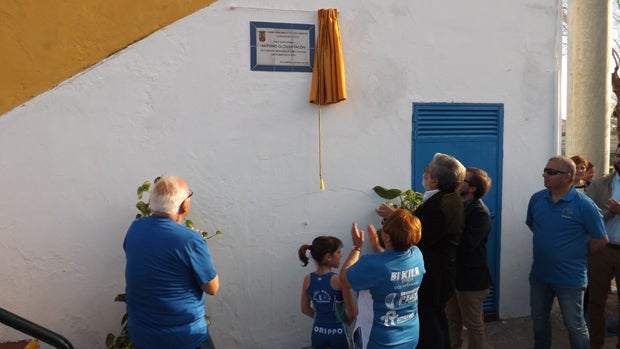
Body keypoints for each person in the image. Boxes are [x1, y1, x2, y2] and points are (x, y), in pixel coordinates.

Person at [377, 152, 465, 349]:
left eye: (427, 171)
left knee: (429, 324)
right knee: (437, 320)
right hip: (442, 273)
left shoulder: (439, 206)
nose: (423, 174)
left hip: (434, 276)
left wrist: (396, 221)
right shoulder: (450, 198)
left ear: (434, 181)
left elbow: (418, 236)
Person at [124, 176, 220, 349]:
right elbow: (212, 288)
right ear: (184, 205)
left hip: (142, 336)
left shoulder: (135, 228)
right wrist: (196, 243)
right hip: (183, 338)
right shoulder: (191, 241)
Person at [526, 155, 607, 349]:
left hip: (570, 279)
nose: (544, 174)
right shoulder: (537, 199)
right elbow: (533, 225)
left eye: (551, 172)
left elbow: (601, 239)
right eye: (545, 170)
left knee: (574, 326)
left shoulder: (584, 205)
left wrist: (577, 252)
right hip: (540, 276)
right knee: (539, 321)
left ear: (566, 177)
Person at [340, 209, 425, 349]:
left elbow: (344, 279)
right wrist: (376, 246)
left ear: (387, 236)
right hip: (410, 335)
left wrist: (357, 248)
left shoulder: (370, 264)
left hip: (377, 339)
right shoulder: (416, 255)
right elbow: (391, 265)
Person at [445, 167, 492, 349]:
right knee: (452, 320)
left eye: (462, 180)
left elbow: (467, 245)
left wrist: (446, 232)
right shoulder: (457, 205)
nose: (457, 183)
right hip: (454, 276)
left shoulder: (480, 213)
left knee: (473, 325)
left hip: (471, 280)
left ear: (472, 188)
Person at [587, 144, 620, 349]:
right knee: (596, 303)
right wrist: (609, 214)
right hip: (602, 250)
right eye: (618, 155)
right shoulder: (599, 185)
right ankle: (595, 344)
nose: (619, 159)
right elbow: (588, 217)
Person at [299, 236, 349, 349]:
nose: (341, 255)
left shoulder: (308, 279)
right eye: (338, 252)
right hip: (338, 332)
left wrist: (321, 320)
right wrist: (342, 325)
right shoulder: (338, 280)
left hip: (318, 332)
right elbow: (353, 312)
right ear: (328, 257)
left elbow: (304, 309)